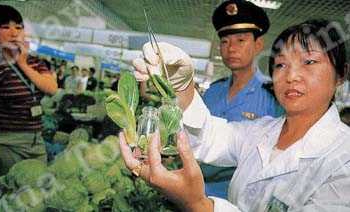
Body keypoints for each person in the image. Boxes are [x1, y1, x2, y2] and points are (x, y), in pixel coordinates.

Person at [122, 19, 350, 211]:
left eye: (309, 62)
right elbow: (209, 136)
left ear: (341, 74)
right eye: (281, 65)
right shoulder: (260, 131)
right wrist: (183, 86)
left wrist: (199, 204)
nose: (291, 76)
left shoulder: (344, 158)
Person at [201, 0, 284, 198]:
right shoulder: (212, 92)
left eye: (240, 40)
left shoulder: (274, 96)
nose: (231, 48)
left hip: (242, 200)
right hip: (197, 193)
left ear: (258, 45)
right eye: (225, 41)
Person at [0, 5, 57, 175]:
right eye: (5, 27)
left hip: (36, 141)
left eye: (18, 27)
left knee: (36, 190)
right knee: (10, 191)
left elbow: (51, 88)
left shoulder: (34, 62)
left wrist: (22, 63)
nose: (14, 33)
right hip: (5, 144)